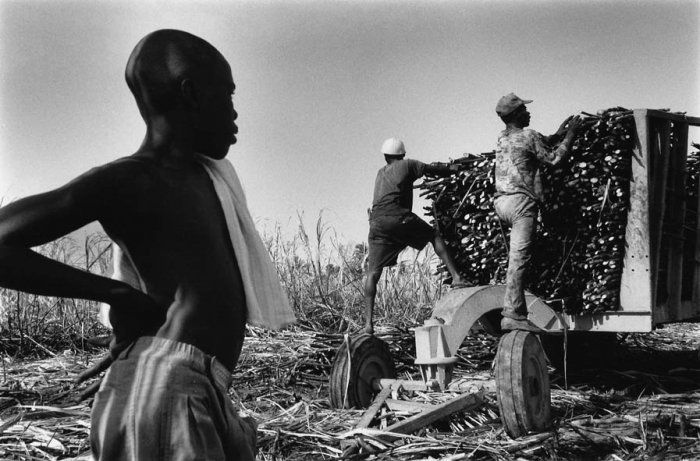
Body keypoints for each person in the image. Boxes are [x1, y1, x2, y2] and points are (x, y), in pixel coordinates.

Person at [0, 29, 295, 460]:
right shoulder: (131, 179)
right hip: (162, 389)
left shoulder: (208, 177)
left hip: (199, 386)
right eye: (228, 94)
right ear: (191, 93)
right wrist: (115, 293)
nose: (235, 113)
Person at [493, 93, 584, 332]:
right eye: (524, 109)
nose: (529, 112)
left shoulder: (503, 138)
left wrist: (557, 134)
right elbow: (554, 159)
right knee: (519, 258)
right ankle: (513, 313)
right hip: (521, 204)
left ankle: (516, 309)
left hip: (501, 203)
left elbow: (538, 144)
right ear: (515, 115)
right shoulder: (529, 135)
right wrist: (572, 135)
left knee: (518, 256)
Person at [363, 137, 467, 335]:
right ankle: (457, 277)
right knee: (433, 235)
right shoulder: (408, 164)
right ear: (402, 154)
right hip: (397, 216)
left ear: (385, 156)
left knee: (373, 273)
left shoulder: (380, 173)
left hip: (376, 223)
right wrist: (452, 170)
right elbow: (432, 169)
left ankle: (368, 325)